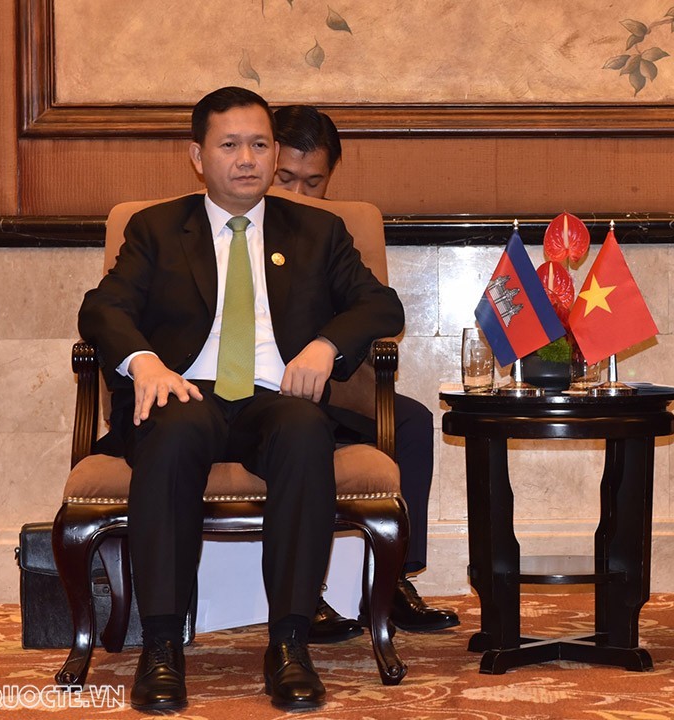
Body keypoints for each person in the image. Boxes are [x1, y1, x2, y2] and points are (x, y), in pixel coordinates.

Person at [78, 87, 404, 712]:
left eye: (259, 144)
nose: (247, 159)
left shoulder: (317, 229)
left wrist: (325, 347)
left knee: (305, 430)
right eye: (229, 145)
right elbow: (103, 308)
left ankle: (289, 645)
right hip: (183, 391)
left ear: (274, 150)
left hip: (271, 397)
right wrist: (145, 363)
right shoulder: (156, 229)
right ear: (197, 155)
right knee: (173, 431)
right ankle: (163, 648)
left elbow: (379, 305)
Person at [271, 104, 460, 641]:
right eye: (286, 180)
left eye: (314, 183)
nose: (299, 196)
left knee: (412, 420)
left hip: (323, 390)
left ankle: (393, 578)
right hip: (244, 398)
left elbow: (381, 308)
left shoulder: (329, 233)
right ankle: (303, 596)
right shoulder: (227, 227)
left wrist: (327, 345)